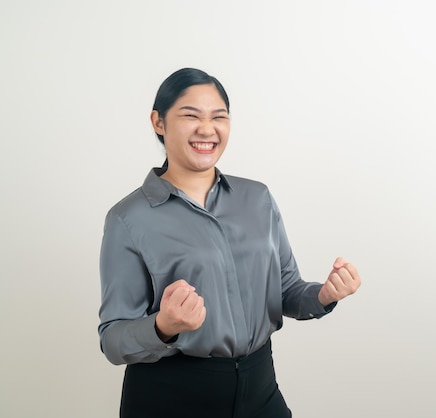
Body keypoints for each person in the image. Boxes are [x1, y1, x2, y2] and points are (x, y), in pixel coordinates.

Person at [98, 67, 361, 417]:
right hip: (171, 395)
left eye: (218, 117)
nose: (207, 129)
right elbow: (113, 339)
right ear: (158, 122)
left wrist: (324, 295)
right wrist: (164, 326)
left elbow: (287, 290)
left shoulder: (257, 198)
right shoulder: (128, 219)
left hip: (260, 387)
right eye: (191, 116)